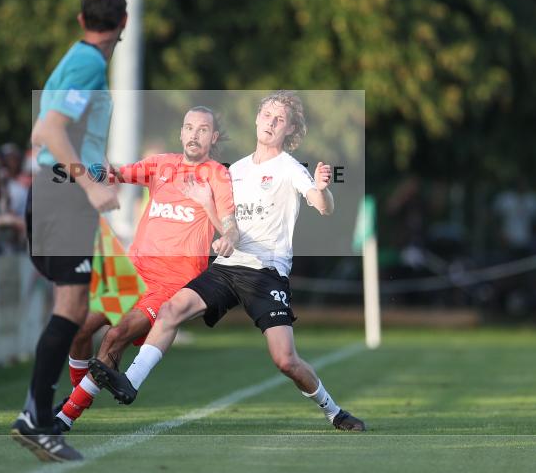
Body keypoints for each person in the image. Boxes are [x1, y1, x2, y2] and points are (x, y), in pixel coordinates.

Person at [90, 91, 367, 433]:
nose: (270, 123)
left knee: (285, 360)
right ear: (256, 119)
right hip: (226, 266)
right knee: (171, 310)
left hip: (265, 274)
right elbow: (223, 220)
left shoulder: (290, 168)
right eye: (267, 115)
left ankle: (333, 410)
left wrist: (323, 188)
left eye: (279, 119)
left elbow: (323, 206)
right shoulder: (233, 170)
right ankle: (130, 381)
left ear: (289, 129)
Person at [54, 106, 237, 434]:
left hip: (171, 282)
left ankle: (65, 417)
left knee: (115, 336)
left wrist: (213, 213)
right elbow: (114, 174)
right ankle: (76, 397)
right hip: (133, 272)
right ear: (181, 133)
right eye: (189, 127)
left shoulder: (218, 176)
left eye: (203, 129)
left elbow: (229, 228)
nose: (194, 134)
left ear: (214, 137)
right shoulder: (161, 164)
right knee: (80, 329)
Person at [11, 0, 127, 463]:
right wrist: (89, 184)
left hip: (56, 190)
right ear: (123, 22)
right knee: (72, 308)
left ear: (82, 19)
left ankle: (35, 417)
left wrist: (97, 169)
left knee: (73, 308)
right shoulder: (90, 63)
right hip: (64, 193)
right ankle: (35, 419)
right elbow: (49, 130)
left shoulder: (76, 59)